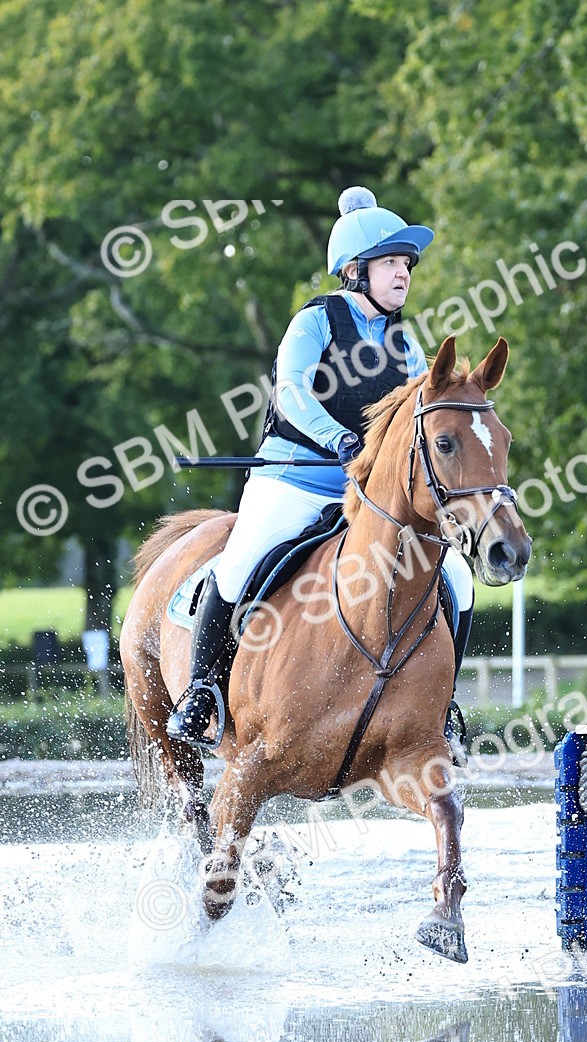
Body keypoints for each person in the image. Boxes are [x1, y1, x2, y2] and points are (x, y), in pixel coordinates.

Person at [167, 186, 474, 761]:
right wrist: (338, 439)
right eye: (390, 263)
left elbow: (417, 418)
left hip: (368, 495)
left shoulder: (407, 345)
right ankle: (202, 690)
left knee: (454, 574)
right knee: (237, 567)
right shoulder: (315, 321)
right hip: (294, 479)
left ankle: (442, 704)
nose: (403, 274)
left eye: (406, 264)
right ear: (356, 272)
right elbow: (292, 392)